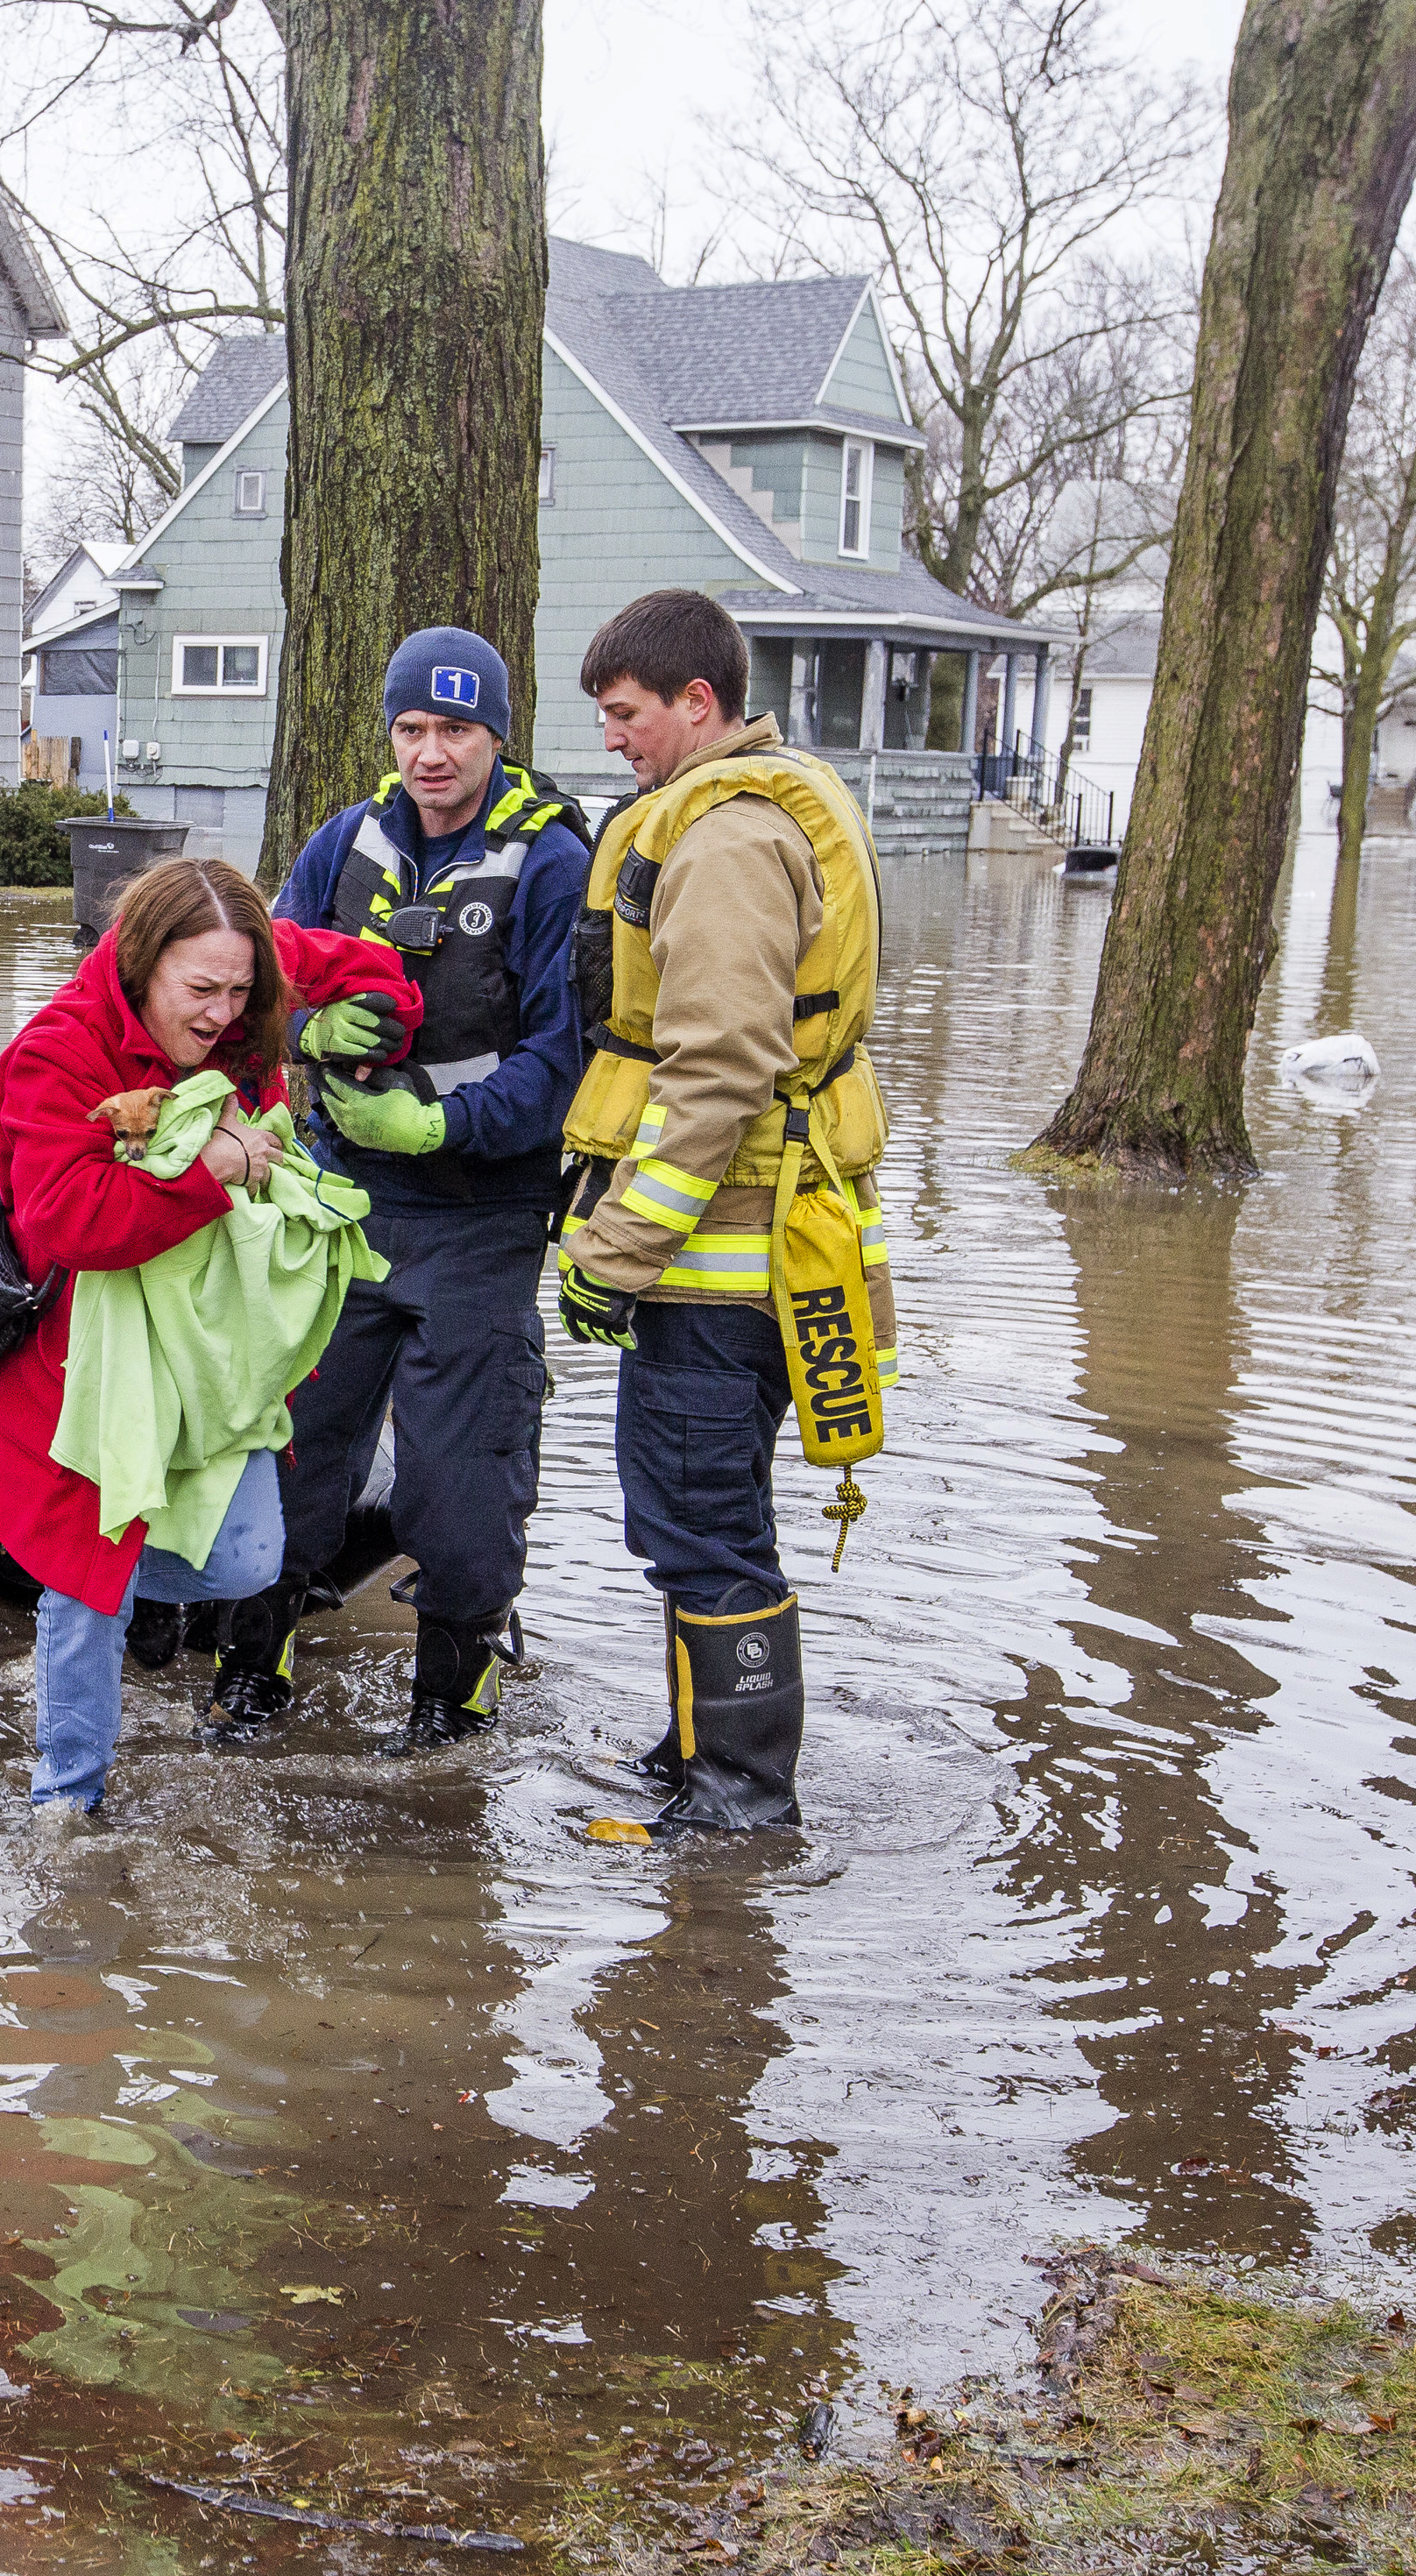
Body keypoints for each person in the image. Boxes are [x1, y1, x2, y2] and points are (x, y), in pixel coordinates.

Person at [0, 859, 421, 1814]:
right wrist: (215, 1168)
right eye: (201, 991)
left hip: (204, 1351)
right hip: (79, 1365)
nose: (222, 1014)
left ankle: (107, 1588)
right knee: (86, 1587)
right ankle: (64, 1804)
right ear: (140, 963)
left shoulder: (242, 970)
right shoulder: (54, 1051)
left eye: (241, 993)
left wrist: (369, 1023)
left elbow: (370, 971)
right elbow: (70, 1222)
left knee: (246, 1559)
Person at [209, 625, 595, 1751]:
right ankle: (254, 1662)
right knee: (289, 1440)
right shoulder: (344, 842)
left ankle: (450, 1698)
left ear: (497, 737)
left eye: (457, 730)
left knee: (461, 1480)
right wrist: (304, 1031)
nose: (431, 752)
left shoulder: (548, 862)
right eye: (412, 727)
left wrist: (438, 1123)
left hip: (481, 1217)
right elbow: (258, 986)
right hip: (341, 1205)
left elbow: (563, 1059)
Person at [556, 588, 889, 1835]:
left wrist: (614, 1252)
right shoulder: (761, 808)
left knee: (700, 1525)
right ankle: (696, 1749)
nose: (611, 739)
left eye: (625, 713)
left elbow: (718, 1069)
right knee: (699, 1515)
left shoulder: (727, 841)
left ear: (698, 702)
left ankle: (737, 1808)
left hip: (715, 1265)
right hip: (754, 1250)